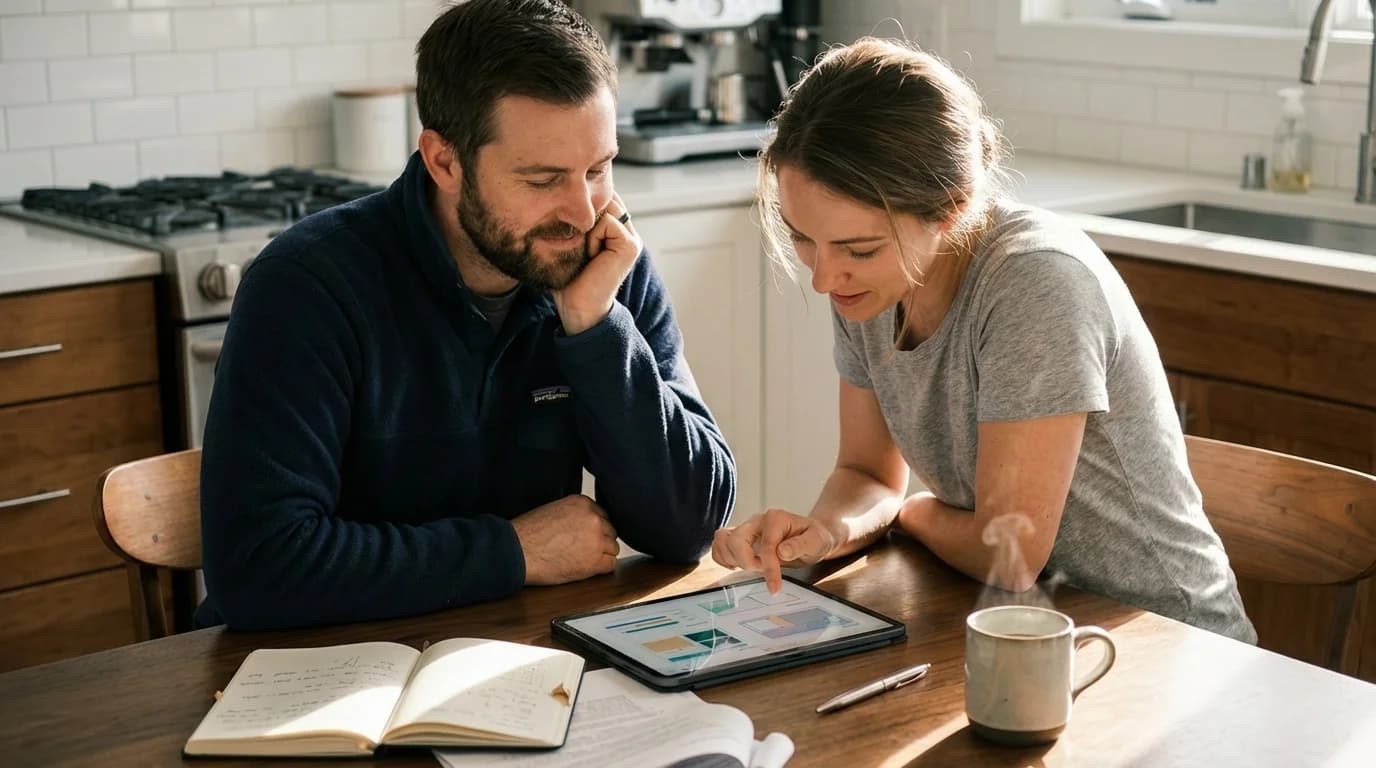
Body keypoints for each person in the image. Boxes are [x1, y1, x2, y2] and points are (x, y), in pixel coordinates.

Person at [198, 0, 735, 631]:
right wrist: (512, 551)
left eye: (598, 168)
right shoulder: (306, 287)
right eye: (542, 180)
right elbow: (258, 570)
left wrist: (597, 329)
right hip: (317, 678)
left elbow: (689, 526)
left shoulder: (600, 263)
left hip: (522, 662)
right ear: (444, 161)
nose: (583, 210)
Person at [712, 38, 1256, 642]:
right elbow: (866, 471)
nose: (821, 277)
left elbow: (1014, 551)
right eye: (803, 238)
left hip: (1164, 639)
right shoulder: (867, 285)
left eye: (857, 249)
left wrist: (912, 511)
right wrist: (829, 530)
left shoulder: (1035, 282)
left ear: (951, 207)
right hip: (1023, 625)